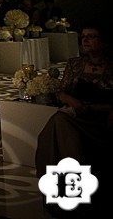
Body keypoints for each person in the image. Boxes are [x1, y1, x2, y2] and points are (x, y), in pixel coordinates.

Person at [36, 22, 112, 217]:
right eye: (83, 36)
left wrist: (89, 108)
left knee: (59, 122)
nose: (85, 40)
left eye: (91, 36)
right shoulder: (75, 63)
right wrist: (71, 100)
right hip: (73, 116)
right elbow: (60, 91)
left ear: (103, 42)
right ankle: (71, 190)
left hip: (99, 120)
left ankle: (73, 191)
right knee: (59, 122)